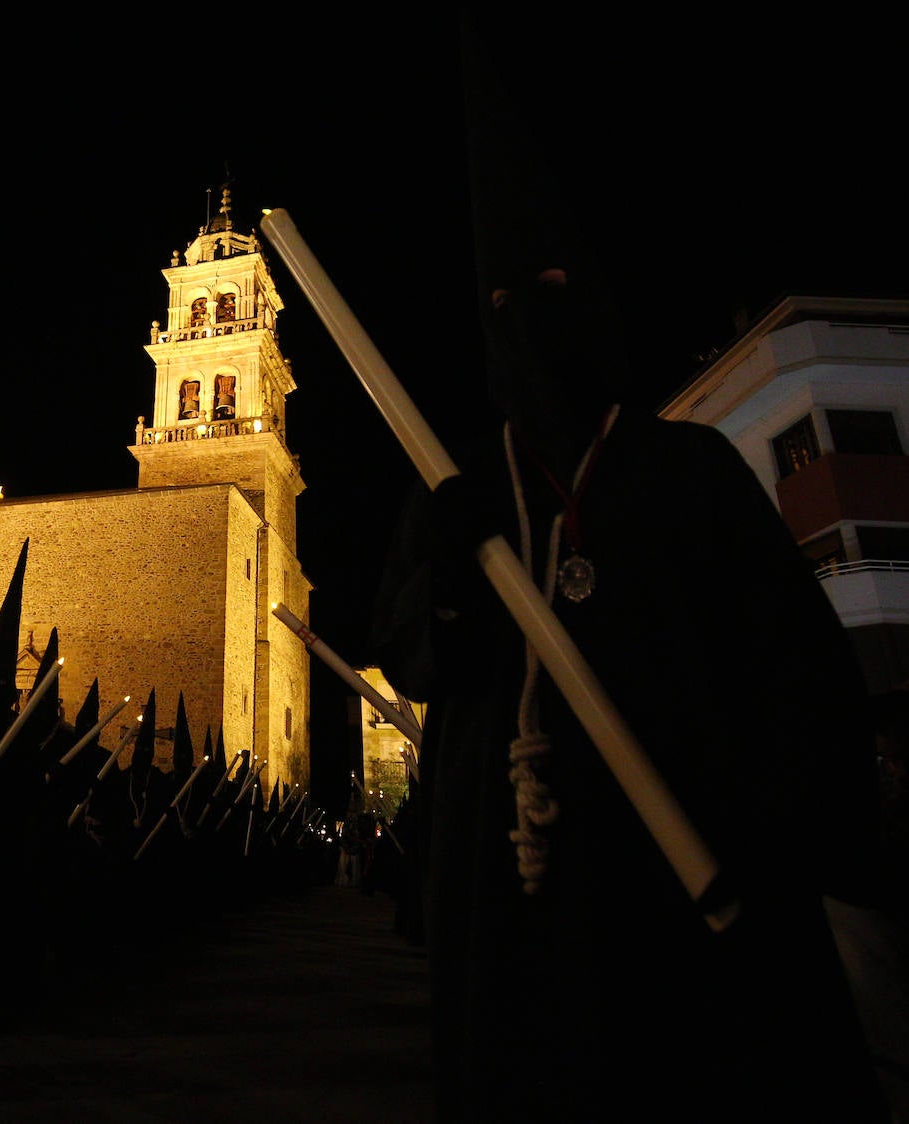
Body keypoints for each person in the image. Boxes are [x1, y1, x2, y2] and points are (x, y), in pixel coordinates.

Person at [369, 21, 886, 1121]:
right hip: (517, 917)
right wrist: (446, 578)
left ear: (594, 296)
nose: (530, 318)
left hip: (679, 892)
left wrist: (772, 829)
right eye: (505, 303)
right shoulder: (453, 485)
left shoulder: (687, 471)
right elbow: (410, 651)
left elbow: (796, 673)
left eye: (552, 285)